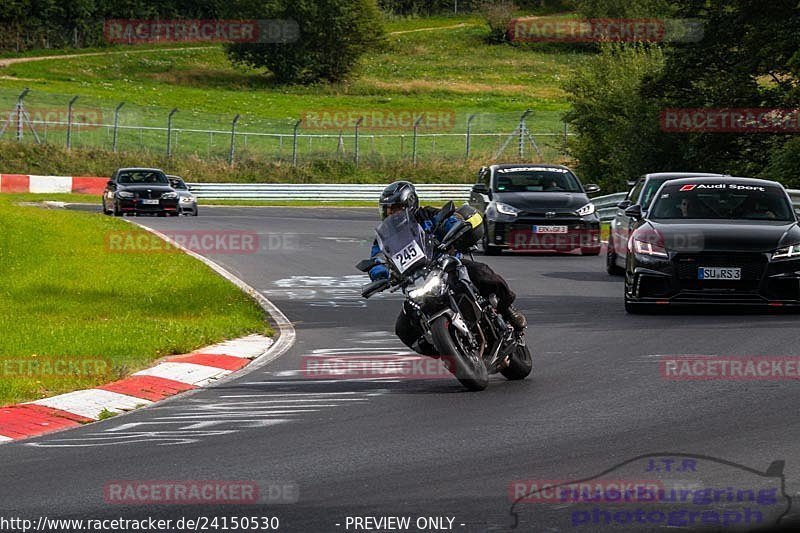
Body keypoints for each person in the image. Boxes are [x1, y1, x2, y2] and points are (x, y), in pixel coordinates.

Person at [368, 181, 527, 355]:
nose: (391, 213)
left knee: (481, 273)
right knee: (403, 328)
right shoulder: (384, 238)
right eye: (387, 209)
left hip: (444, 266)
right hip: (414, 281)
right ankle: (445, 352)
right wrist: (380, 275)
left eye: (395, 208)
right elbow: (376, 259)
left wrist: (453, 230)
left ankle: (508, 309)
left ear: (409, 205)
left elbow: (448, 220)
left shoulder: (426, 215)